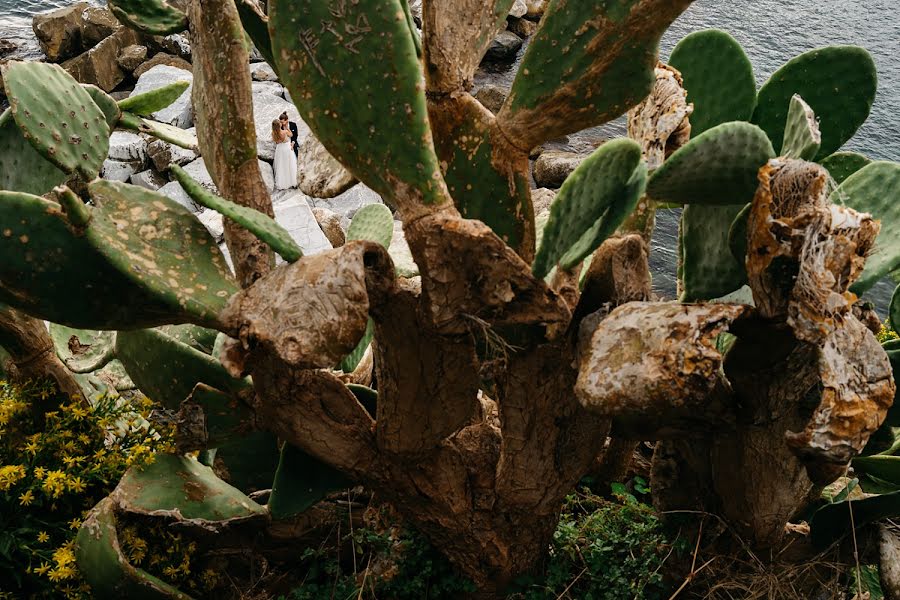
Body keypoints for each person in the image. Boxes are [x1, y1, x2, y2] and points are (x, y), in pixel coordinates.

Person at [271, 119, 297, 190]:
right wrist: (287, 128)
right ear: (279, 125)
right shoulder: (284, 132)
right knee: (289, 165)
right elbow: (291, 135)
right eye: (280, 123)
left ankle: (283, 183)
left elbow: (275, 141)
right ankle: (292, 182)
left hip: (279, 150)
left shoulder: (273, 133)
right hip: (286, 148)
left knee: (281, 166)